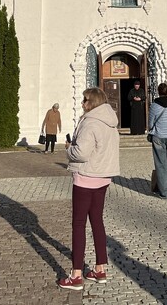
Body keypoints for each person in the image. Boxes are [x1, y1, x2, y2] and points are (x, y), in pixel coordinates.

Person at [58, 87, 120, 291]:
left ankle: (76, 274)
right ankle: (100, 268)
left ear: (91, 103)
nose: (82, 104)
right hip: (102, 178)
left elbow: (82, 153)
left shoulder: (90, 122)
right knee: (97, 221)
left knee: (78, 223)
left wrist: (69, 149)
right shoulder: (110, 122)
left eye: (85, 100)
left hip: (86, 177)